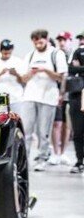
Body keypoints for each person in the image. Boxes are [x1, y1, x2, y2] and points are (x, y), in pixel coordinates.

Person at [21, 29, 68, 171]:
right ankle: (24, 159)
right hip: (30, 95)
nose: (38, 44)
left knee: (43, 131)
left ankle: (42, 158)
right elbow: (23, 78)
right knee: (27, 130)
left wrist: (45, 70)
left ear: (46, 39)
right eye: (35, 42)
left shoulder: (56, 54)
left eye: (40, 41)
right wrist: (31, 72)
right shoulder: (29, 55)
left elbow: (61, 77)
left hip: (48, 96)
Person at [0, 39, 27, 116]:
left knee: (17, 121)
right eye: (5, 52)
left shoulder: (18, 61)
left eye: (9, 52)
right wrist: (0, 73)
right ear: (1, 50)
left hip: (16, 98)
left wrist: (16, 74)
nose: (7, 53)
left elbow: (23, 81)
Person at [51, 31, 74, 165]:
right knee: (56, 123)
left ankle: (64, 152)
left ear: (69, 41)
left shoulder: (73, 56)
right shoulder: (54, 55)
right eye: (60, 40)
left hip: (70, 95)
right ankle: (55, 153)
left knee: (67, 125)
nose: (62, 42)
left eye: (64, 40)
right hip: (56, 94)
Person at [68, 32, 84, 173]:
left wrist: (80, 68)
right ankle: (79, 161)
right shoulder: (77, 51)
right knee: (78, 130)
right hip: (78, 93)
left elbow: (77, 68)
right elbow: (71, 69)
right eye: (80, 39)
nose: (81, 41)